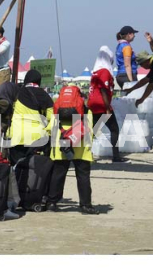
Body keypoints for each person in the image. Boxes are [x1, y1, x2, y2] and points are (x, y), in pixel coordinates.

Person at [45, 86, 98, 215]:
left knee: (58, 175)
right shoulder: (86, 111)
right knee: (83, 176)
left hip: (61, 145)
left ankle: (52, 202)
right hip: (81, 147)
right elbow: (90, 129)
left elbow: (50, 128)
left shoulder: (56, 110)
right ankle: (86, 205)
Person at [7, 70, 54, 166]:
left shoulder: (17, 92)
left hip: (17, 135)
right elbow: (52, 117)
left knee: (16, 167)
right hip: (37, 137)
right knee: (33, 169)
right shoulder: (45, 96)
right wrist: (48, 133)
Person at [89, 46, 127, 163]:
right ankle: (116, 156)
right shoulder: (105, 71)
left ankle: (85, 154)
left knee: (93, 130)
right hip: (101, 104)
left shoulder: (95, 72)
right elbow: (103, 89)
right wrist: (107, 108)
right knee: (114, 129)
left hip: (93, 103)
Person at [115, 26, 139, 90]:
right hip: (127, 75)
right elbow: (127, 65)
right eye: (133, 34)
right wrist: (131, 82)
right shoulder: (127, 47)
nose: (134, 36)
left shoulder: (119, 45)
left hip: (120, 74)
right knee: (132, 96)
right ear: (129, 34)